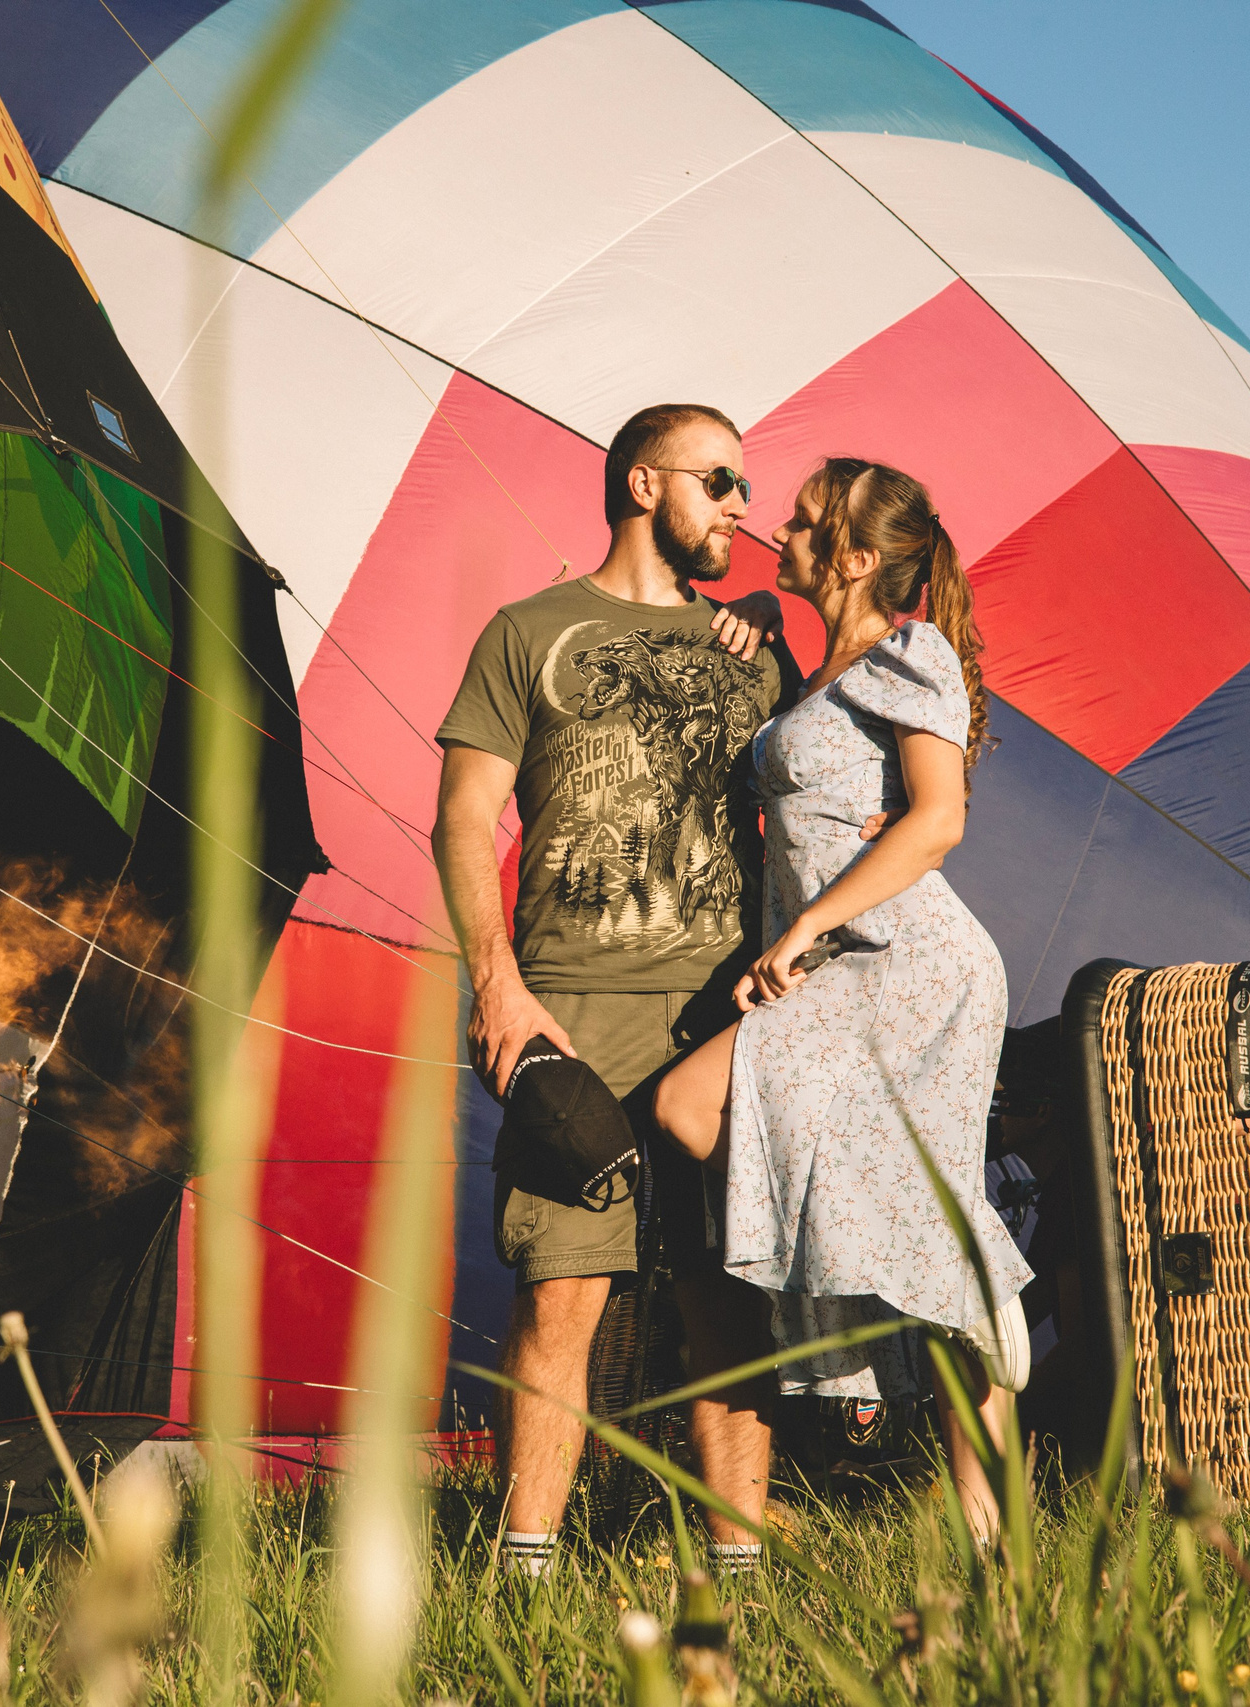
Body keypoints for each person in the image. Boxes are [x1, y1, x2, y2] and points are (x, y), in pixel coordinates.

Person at [433, 402, 793, 1579]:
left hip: (721, 1018)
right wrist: (496, 986)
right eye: (721, 480)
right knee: (561, 1293)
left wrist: (774, 625)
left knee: (725, 1299)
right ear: (645, 485)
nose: (745, 504)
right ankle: (524, 1569)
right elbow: (462, 816)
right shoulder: (527, 631)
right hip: (569, 1009)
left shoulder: (752, 650)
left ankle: (734, 1581)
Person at [653, 456, 1033, 1540]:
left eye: (809, 523)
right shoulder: (816, 673)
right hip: (836, 964)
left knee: (696, 1108)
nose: (782, 526)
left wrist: (812, 925)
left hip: (910, 965)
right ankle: (920, 1315)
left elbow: (938, 819)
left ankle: (986, 1523)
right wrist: (755, 625)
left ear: (859, 559)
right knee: (707, 1119)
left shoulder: (911, 657)